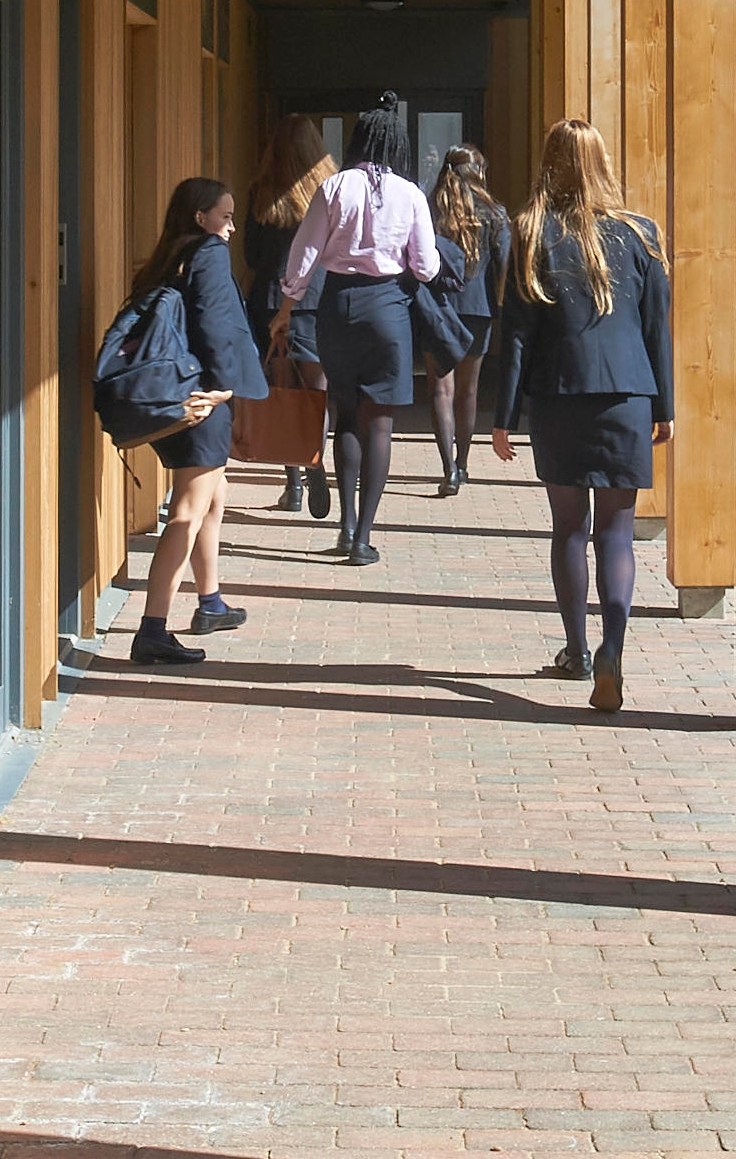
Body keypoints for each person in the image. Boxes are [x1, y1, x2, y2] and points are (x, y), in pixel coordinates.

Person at [490, 119, 672, 713]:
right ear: (603, 163)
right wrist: (665, 406)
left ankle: (576, 648)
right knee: (617, 532)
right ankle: (613, 646)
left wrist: (504, 414)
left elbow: (516, 332)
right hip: (627, 396)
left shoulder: (531, 231)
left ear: (549, 164)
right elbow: (655, 330)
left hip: (560, 395)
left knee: (569, 527)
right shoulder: (641, 234)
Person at [274, 92, 438, 565]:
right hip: (387, 306)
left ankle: (344, 527)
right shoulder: (410, 193)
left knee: (344, 412)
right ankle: (364, 537)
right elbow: (426, 267)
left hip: (338, 303)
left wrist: (287, 304)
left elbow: (304, 254)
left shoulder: (334, 186)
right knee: (379, 422)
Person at [126, 176, 271, 665]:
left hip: (176, 395)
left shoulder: (167, 257)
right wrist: (228, 387)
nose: (231, 229)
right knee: (187, 510)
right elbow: (215, 324)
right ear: (200, 217)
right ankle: (152, 629)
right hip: (203, 400)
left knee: (215, 495)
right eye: (225, 217)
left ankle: (210, 602)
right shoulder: (207, 253)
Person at [242, 114, 336, 518]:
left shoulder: (261, 192)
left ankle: (293, 484)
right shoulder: (329, 192)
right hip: (317, 299)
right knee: (317, 388)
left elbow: (251, 254)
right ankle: (315, 455)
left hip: (269, 298)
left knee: (281, 387)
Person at [428, 146, 511, 496]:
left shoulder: (432, 208)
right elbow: (505, 263)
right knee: (468, 390)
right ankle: (463, 463)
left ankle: (447, 468)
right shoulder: (495, 213)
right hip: (478, 308)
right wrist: (502, 301)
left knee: (440, 388)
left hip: (437, 305)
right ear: (478, 171)